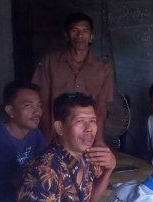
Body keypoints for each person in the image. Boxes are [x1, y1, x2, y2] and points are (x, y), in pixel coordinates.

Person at [32, 12, 114, 143]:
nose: (80, 35)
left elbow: (101, 107)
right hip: (56, 136)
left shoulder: (103, 67)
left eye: (85, 31)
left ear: (91, 37)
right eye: (75, 30)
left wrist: (99, 140)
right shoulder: (50, 62)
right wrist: (46, 138)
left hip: (87, 137)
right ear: (66, 36)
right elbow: (43, 103)